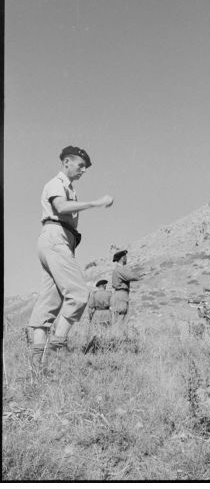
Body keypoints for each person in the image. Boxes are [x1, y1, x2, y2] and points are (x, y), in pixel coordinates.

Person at [28, 145, 113, 373]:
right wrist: (95, 203)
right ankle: (57, 347)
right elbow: (61, 206)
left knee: (48, 303)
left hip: (55, 239)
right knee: (78, 294)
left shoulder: (68, 187)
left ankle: (37, 364)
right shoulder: (57, 183)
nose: (83, 170)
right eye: (81, 165)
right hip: (56, 238)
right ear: (67, 162)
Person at [111, 250, 141, 329]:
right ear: (122, 258)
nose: (126, 259)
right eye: (125, 257)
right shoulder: (120, 269)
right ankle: (118, 335)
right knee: (121, 319)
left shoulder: (118, 269)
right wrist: (139, 275)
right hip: (121, 294)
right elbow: (131, 276)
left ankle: (116, 335)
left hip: (119, 294)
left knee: (119, 318)